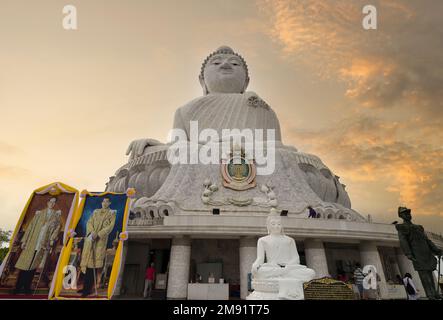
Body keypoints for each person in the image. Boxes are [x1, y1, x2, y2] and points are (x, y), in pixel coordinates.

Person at [249, 208, 315, 299]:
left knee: (311, 273)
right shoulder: (263, 240)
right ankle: (282, 274)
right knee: (261, 272)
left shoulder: (290, 240)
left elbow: (296, 258)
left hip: (289, 268)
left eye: (279, 224)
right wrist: (255, 265)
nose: (276, 226)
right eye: (273, 224)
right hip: (273, 267)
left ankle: (282, 275)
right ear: (268, 226)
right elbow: (260, 258)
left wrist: (287, 267)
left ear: (282, 226)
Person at [14, 197, 61, 294]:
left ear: (55, 204)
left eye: (54, 202)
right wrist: (24, 241)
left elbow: (57, 229)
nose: (52, 203)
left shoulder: (56, 217)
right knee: (25, 265)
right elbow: (30, 228)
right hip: (32, 242)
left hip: (43, 244)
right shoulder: (39, 214)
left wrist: (52, 240)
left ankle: (27, 287)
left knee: (33, 266)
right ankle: (18, 287)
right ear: (47, 202)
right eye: (50, 201)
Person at [396, 206, 442, 300]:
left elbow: (427, 240)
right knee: (424, 275)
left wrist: (436, 250)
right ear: (401, 215)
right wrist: (408, 254)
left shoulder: (419, 227)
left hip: (427, 253)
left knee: (429, 273)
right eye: (405, 213)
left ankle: (434, 292)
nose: (408, 214)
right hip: (417, 254)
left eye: (408, 212)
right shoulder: (401, 227)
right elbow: (403, 241)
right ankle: (430, 294)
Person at [79, 197, 116, 297]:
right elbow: (89, 222)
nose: (105, 203)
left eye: (107, 202)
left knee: (93, 266)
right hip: (91, 238)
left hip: (100, 240)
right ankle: (84, 287)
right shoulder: (96, 212)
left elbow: (110, 227)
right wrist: (92, 232)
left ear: (109, 203)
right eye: (103, 201)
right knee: (87, 264)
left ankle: (87, 289)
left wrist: (98, 234)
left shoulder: (112, 213)